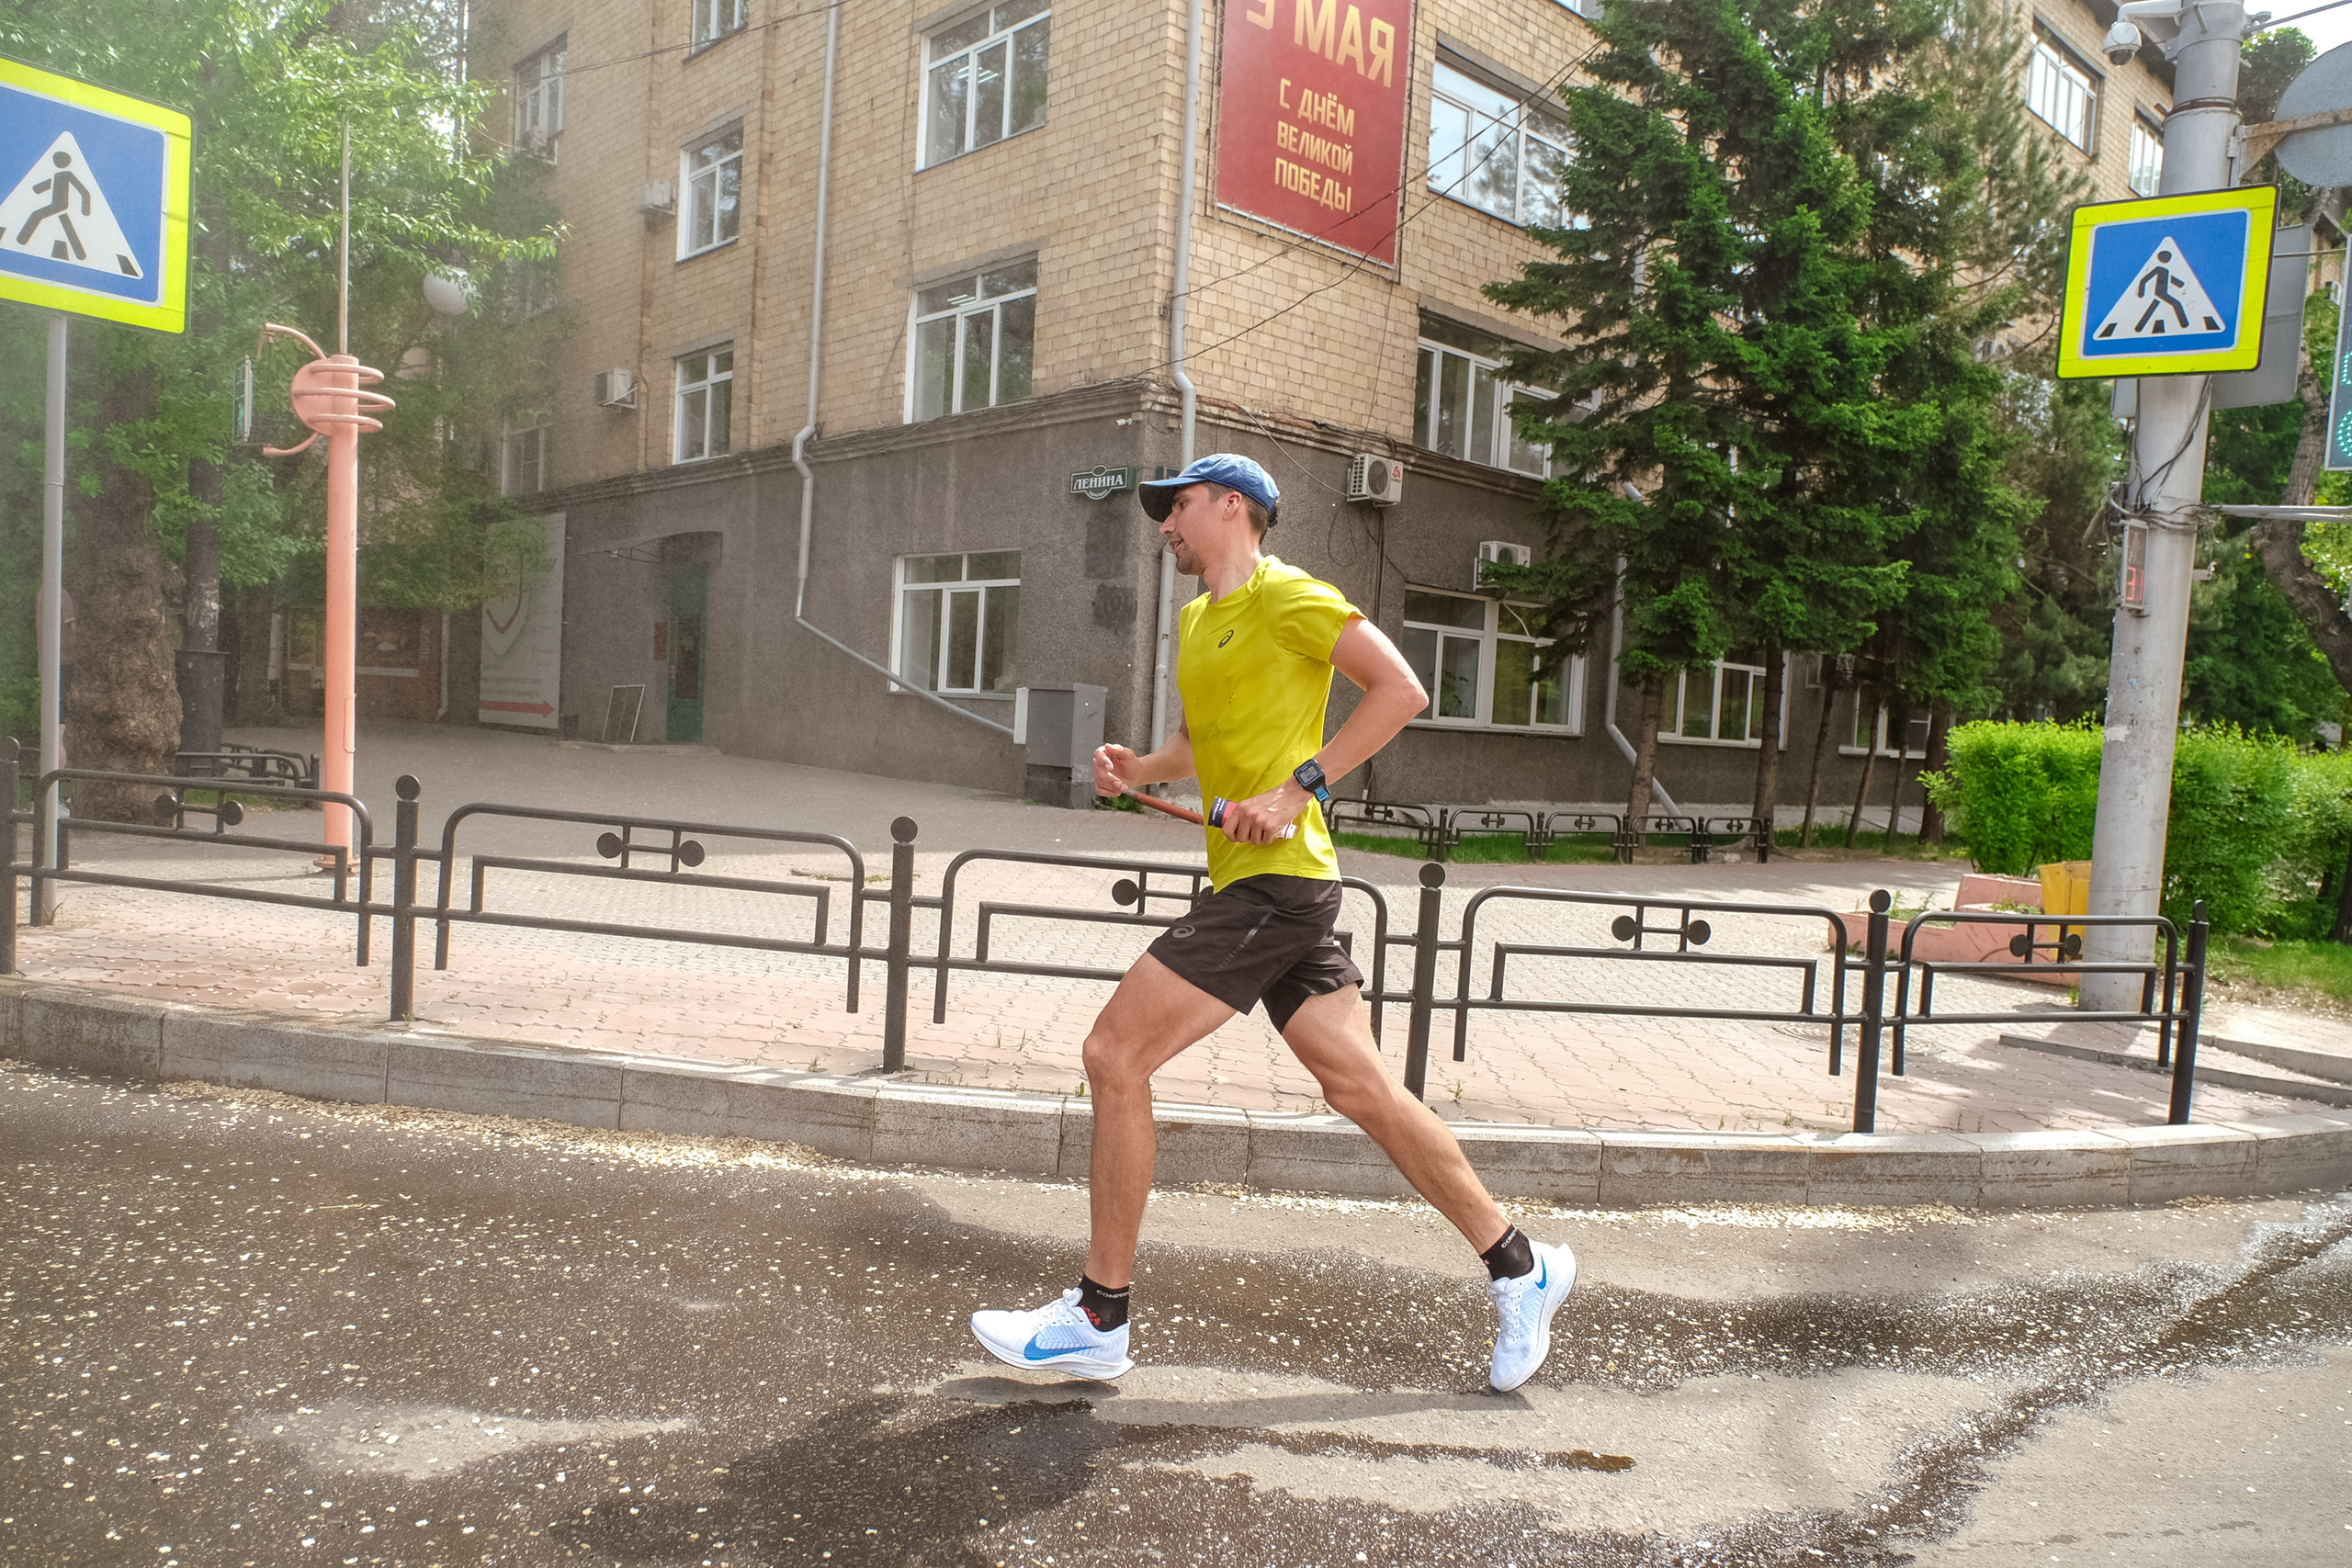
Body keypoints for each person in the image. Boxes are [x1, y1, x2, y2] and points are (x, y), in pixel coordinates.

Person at [969, 453, 1575, 1393]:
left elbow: (1402, 692)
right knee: (1363, 1090)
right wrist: (1139, 767)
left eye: (1175, 506)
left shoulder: (1290, 596)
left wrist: (1300, 788)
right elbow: (1195, 746)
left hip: (1277, 883)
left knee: (1113, 1056)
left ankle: (1098, 1315)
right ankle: (1521, 1267)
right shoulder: (1198, 616)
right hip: (1269, 885)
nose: (1163, 523)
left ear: (1230, 506)